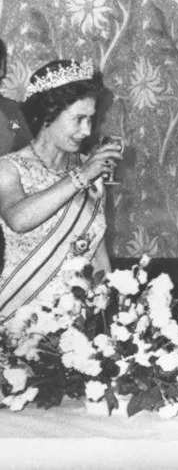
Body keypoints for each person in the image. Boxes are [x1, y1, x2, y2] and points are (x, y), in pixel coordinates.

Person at [0, 59, 122, 318]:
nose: (86, 130)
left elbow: (97, 251)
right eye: (78, 119)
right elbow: (18, 219)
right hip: (21, 316)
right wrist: (83, 175)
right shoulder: (9, 169)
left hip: (79, 325)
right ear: (48, 115)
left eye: (91, 119)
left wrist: (110, 315)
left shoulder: (91, 170)